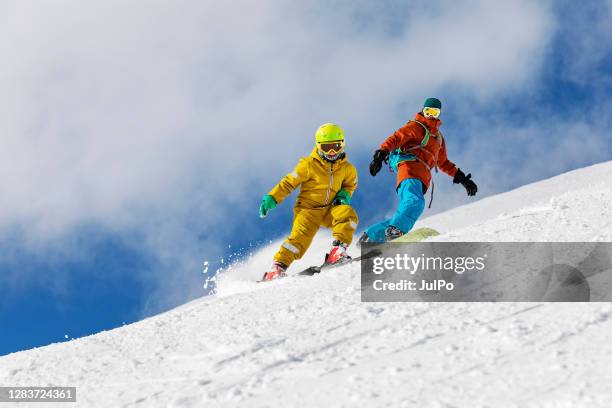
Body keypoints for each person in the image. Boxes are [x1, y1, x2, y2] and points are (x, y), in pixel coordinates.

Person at [360, 97, 477, 243]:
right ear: (423, 110)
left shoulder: (439, 139)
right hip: (409, 169)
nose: (431, 115)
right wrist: (381, 153)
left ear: (439, 114)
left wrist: (463, 178)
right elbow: (397, 138)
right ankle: (395, 230)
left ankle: (371, 236)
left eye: (435, 112)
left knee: (406, 208)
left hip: (421, 177)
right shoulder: (416, 127)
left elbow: (443, 162)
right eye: (428, 111)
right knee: (415, 202)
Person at [259, 123, 359, 281]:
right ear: (319, 146)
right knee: (299, 239)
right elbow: (288, 182)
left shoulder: (348, 169)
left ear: (342, 145)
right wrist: (272, 198)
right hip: (307, 210)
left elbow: (349, 185)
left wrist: (343, 196)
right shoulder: (308, 165)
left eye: (335, 146)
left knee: (348, 215)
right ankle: (277, 268)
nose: (332, 152)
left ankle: (337, 252)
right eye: (327, 148)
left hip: (329, 209)